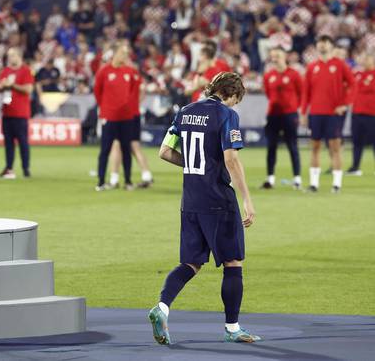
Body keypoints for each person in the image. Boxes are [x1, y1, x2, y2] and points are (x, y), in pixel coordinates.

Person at [149, 72, 261, 345]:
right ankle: (232, 328)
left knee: (191, 262)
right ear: (231, 94)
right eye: (236, 100)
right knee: (233, 262)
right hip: (218, 199)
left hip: (190, 200)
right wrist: (247, 199)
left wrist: (195, 167)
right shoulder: (226, 115)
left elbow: (164, 151)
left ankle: (161, 307)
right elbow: (231, 160)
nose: (235, 105)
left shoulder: (185, 111)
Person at [301, 35, 355, 193]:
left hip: (333, 113)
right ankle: (314, 184)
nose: (322, 46)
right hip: (316, 113)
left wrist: (345, 104)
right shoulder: (312, 67)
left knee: (335, 147)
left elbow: (352, 84)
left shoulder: (339, 65)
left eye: (325, 43)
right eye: (320, 43)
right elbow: (306, 92)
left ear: (331, 46)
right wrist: (304, 112)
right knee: (315, 147)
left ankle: (337, 184)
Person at [94, 40, 136, 191]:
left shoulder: (129, 71)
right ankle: (100, 181)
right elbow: (97, 91)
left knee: (126, 149)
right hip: (109, 116)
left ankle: (128, 181)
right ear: (115, 53)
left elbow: (132, 91)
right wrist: (106, 109)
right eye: (122, 53)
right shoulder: (104, 71)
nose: (125, 56)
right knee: (105, 149)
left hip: (125, 117)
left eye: (126, 53)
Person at [261, 47, 303, 189]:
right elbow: (268, 93)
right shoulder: (268, 75)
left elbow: (301, 93)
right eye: (272, 56)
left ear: (284, 56)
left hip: (289, 115)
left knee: (292, 146)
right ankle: (270, 179)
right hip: (273, 115)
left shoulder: (294, 74)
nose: (275, 59)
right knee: (271, 146)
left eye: (277, 55)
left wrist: (295, 108)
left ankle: (297, 178)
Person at [108, 58, 154, 188]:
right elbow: (142, 94)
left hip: (123, 115)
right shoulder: (138, 78)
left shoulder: (124, 78)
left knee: (116, 144)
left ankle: (114, 179)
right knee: (134, 145)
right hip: (134, 114)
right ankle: (147, 176)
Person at [0, 48, 34, 179]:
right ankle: (9, 168)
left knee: (23, 142)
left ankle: (26, 168)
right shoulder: (6, 71)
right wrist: (2, 86)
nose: (10, 58)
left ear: (19, 56)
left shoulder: (25, 70)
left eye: (12, 55)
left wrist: (12, 85)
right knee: (8, 143)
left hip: (20, 112)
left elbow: (28, 89)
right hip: (7, 112)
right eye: (9, 56)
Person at [347, 52, 375, 176]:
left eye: (367, 59)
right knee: (357, 142)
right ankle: (355, 167)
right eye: (364, 59)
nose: (365, 61)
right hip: (357, 113)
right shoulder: (357, 74)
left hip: (372, 114)